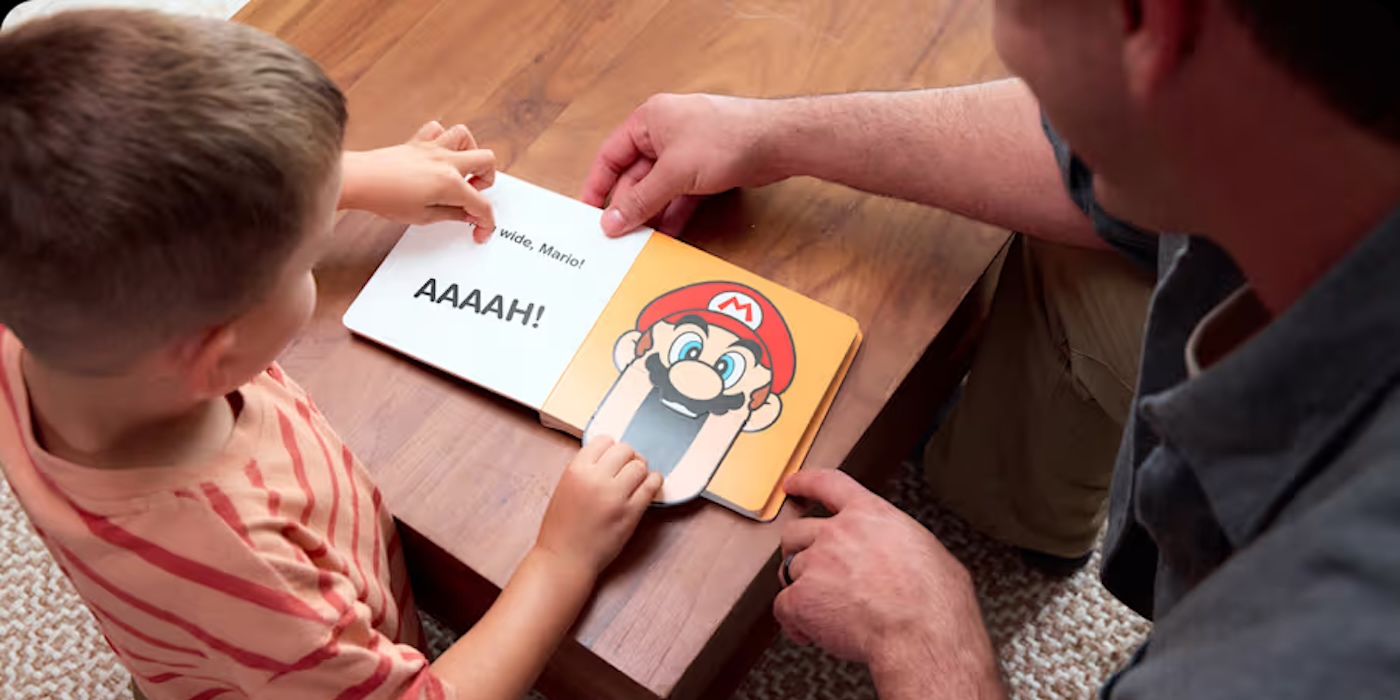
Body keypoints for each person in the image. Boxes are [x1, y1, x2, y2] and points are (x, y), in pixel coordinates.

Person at [581, 0, 1400, 697]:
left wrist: (930, 642)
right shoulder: (1305, 111)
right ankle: (1016, 514)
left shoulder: (1320, 637)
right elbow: (1083, 146)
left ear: (1157, 27)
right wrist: (766, 133)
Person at [0, 10, 662, 700]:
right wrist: (561, 558)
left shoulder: (39, 302)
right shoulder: (260, 576)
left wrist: (351, 177)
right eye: (308, 255)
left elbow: (129, 184)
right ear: (214, 356)